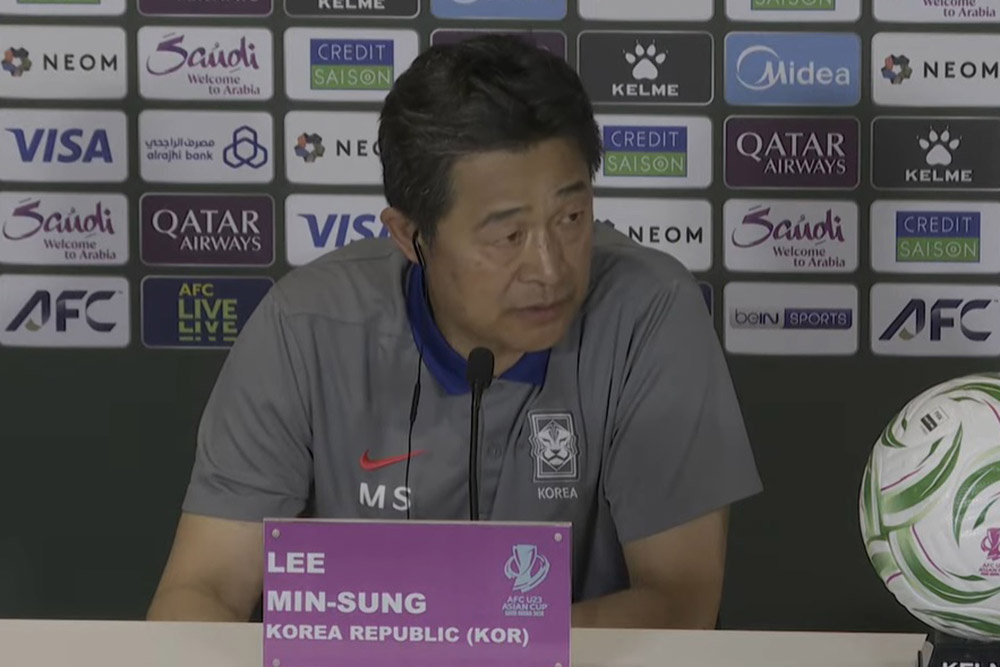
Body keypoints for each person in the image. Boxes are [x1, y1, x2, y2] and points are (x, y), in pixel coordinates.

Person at [146, 34, 762, 629]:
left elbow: (679, 602)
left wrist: (473, 645)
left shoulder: (650, 312)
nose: (549, 268)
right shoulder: (304, 328)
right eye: (508, 235)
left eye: (571, 217)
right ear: (409, 234)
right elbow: (201, 593)